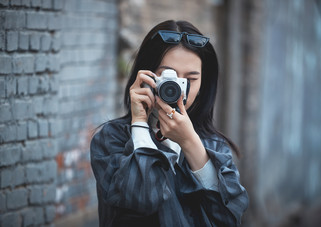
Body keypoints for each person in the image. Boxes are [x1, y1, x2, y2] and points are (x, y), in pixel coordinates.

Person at [90, 20, 248, 227]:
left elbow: (228, 219)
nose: (178, 88)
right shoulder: (112, 139)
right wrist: (139, 125)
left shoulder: (215, 146)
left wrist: (190, 142)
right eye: (168, 76)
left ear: (203, 84)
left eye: (190, 79)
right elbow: (141, 200)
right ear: (145, 75)